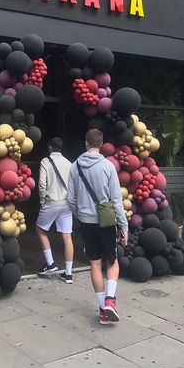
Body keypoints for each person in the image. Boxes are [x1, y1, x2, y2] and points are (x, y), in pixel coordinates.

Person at [67, 128, 128, 324]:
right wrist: (124, 226)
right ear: (101, 145)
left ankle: (103, 310)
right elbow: (116, 200)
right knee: (112, 261)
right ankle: (110, 300)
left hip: (86, 222)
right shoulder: (108, 166)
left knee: (94, 263)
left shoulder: (75, 166)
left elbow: (70, 199)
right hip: (107, 221)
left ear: (86, 143)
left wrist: (81, 214)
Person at [36, 137, 74, 283]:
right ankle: (68, 274)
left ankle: (50, 263)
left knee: (40, 230)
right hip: (66, 204)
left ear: (50, 147)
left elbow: (42, 184)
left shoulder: (45, 162)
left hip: (51, 203)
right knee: (67, 236)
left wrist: (41, 201)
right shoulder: (69, 163)